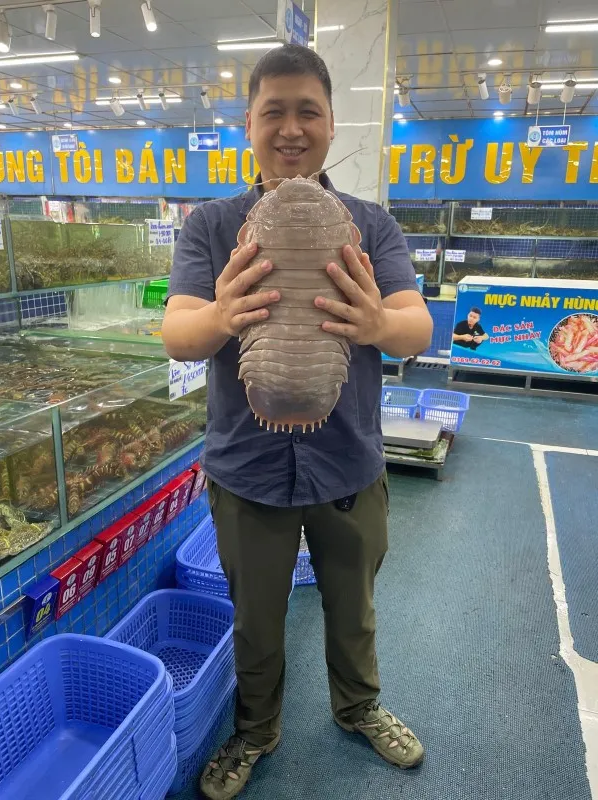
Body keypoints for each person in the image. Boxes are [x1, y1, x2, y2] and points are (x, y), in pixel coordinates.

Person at [161, 43, 433, 800]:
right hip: (246, 466)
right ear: (247, 124)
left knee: (354, 604)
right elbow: (178, 332)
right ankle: (255, 729)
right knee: (255, 615)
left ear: (331, 123)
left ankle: (360, 706)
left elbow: (416, 327)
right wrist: (222, 313)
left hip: (348, 461)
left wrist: (378, 322)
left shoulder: (371, 225)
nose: (290, 128)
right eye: (272, 112)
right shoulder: (212, 226)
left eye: (307, 111)